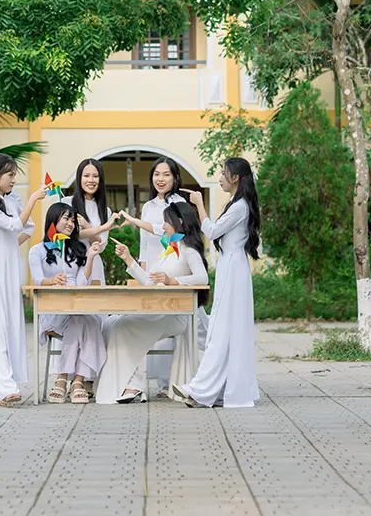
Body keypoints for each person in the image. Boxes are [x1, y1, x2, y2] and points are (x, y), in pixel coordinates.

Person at [95, 201, 209, 404]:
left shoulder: (188, 250)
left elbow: (203, 278)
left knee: (124, 325)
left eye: (166, 221)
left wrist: (172, 281)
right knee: (111, 323)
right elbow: (150, 282)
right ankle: (131, 385)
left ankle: (133, 386)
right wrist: (128, 259)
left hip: (175, 315)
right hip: (158, 311)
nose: (163, 226)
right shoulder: (169, 250)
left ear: (179, 222)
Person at [176, 157, 261, 409]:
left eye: (224, 174)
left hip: (233, 270)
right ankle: (215, 390)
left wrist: (200, 205)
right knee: (225, 330)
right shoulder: (237, 204)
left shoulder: (239, 207)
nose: (220, 178)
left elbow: (212, 231)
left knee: (222, 330)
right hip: (231, 268)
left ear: (236, 178)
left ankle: (202, 389)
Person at [0, 153, 47, 407]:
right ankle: (5, 387)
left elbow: (28, 228)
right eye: (10, 175)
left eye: (15, 175)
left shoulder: (13, 199)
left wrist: (8, 247)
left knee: (11, 323)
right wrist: (33, 199)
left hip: (9, 264)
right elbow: (15, 224)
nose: (13, 180)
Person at [120, 156, 188, 395]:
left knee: (167, 327)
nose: (161, 179)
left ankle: (167, 382)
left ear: (175, 178)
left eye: (166, 174)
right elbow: (145, 243)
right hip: (151, 273)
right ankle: (152, 382)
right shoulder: (148, 206)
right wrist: (142, 271)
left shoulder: (180, 203)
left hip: (173, 269)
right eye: (157, 174)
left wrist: (136, 221)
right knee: (148, 323)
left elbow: (167, 232)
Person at [28, 203, 107, 404]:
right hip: (52, 311)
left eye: (73, 220)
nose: (71, 223)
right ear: (53, 219)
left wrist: (90, 258)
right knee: (85, 321)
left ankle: (65, 380)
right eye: (66, 218)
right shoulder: (37, 251)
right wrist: (52, 280)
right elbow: (37, 280)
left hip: (77, 308)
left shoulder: (78, 249)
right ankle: (75, 381)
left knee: (86, 320)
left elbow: (82, 284)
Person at [62, 158, 121, 284]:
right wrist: (98, 229)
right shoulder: (66, 203)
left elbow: (100, 245)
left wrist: (87, 226)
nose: (91, 180)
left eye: (95, 176)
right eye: (86, 176)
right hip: (69, 263)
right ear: (79, 178)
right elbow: (67, 235)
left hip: (94, 266)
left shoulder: (105, 210)